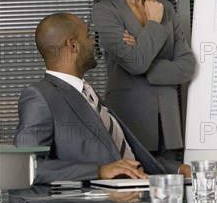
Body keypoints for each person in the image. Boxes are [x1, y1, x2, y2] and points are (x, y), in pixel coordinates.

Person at [14, 13, 191, 184]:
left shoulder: (87, 94)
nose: (94, 43)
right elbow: (25, 167)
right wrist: (99, 172)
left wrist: (176, 169)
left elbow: (121, 157)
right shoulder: (40, 96)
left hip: (133, 199)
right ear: (73, 46)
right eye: (88, 36)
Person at [92, 0, 196, 158]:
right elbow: (135, 63)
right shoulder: (105, 11)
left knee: (172, 191)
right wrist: (152, 25)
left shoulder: (165, 8)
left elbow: (187, 66)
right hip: (130, 124)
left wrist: (141, 50)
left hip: (169, 129)